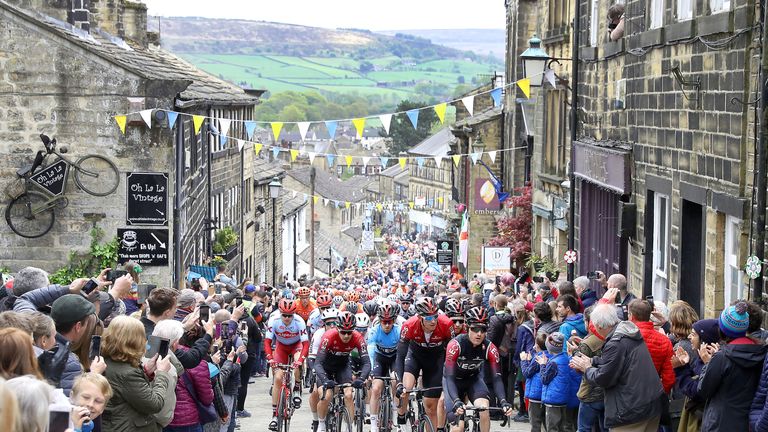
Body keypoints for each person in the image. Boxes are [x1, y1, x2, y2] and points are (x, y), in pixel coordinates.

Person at [570, 303, 663, 431]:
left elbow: (604, 379)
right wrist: (593, 361)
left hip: (632, 410)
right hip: (649, 403)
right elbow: (617, 362)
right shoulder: (627, 332)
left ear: (599, 326)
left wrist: (586, 368)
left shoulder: (616, 342)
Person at [697, 301, 767, 432]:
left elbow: (703, 390)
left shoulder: (722, 357)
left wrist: (708, 363)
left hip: (720, 423)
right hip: (749, 422)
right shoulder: (761, 351)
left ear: (722, 329)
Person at [443, 307, 512, 432]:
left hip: (473, 380)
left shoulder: (490, 348)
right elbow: (449, 377)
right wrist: (456, 400)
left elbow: (496, 378)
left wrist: (503, 401)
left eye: (483, 329)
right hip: (453, 382)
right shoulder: (455, 345)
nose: (479, 333)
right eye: (475, 329)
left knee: (484, 410)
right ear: (467, 327)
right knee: (458, 429)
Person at [102, 315, 174, 432]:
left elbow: (127, 391)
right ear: (133, 341)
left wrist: (146, 371)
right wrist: (162, 374)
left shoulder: (106, 361)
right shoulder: (127, 374)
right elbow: (154, 404)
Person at [395, 296, 454, 430]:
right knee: (407, 387)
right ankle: (401, 414)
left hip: (436, 358)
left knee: (431, 406)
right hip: (415, 356)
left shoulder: (446, 324)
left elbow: (452, 350)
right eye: (428, 318)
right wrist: (399, 382)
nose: (433, 321)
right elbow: (400, 355)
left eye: (435, 316)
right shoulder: (409, 325)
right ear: (420, 317)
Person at [313, 311, 370, 432]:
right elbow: (318, 363)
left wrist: (361, 379)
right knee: (326, 396)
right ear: (338, 329)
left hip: (342, 367)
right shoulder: (328, 337)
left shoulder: (358, 338)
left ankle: (350, 426)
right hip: (325, 368)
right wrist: (325, 380)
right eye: (343, 332)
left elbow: (366, 363)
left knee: (349, 394)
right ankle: (322, 424)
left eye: (349, 332)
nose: (346, 336)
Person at [264, 298, 309, 430]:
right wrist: (270, 358)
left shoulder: (299, 321)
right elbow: (267, 341)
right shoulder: (274, 320)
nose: (287, 318)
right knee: (278, 378)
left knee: (297, 363)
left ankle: (296, 388)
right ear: (280, 313)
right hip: (281, 347)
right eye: (284, 315)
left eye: (290, 315)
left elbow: (306, 344)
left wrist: (300, 360)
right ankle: (274, 415)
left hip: (296, 345)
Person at [165, 318, 215, 432]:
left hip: (164, 416)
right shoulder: (199, 364)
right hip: (187, 419)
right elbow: (207, 398)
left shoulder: (160, 354)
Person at [50, 294, 105, 394]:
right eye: (86, 324)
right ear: (78, 326)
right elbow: (72, 403)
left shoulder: (42, 342)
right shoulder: (70, 362)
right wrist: (94, 375)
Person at [567, 305, 606, 432]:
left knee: (583, 428)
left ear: (588, 322)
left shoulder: (587, 343)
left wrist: (573, 354)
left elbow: (578, 368)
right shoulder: (609, 337)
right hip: (607, 392)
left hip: (590, 393)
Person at [627, 299, 675, 394]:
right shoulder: (664, 340)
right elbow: (669, 377)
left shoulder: (624, 337)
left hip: (627, 395)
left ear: (631, 316)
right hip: (653, 395)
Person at [367, 302, 401, 432]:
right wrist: (370, 369)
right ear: (380, 321)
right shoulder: (375, 331)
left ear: (394, 320)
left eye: (390, 322)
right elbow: (370, 350)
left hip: (394, 358)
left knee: (394, 382)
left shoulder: (398, 330)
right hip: (379, 359)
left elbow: (403, 352)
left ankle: (395, 415)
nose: (387, 325)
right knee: (376, 389)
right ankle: (374, 425)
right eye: (384, 322)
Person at [539, 331, 581, 432]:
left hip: (552, 401)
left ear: (549, 347)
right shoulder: (565, 358)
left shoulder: (553, 363)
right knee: (562, 427)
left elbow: (544, 379)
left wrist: (542, 364)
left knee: (552, 427)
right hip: (563, 400)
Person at [521, 332, 550, 432]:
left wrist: (524, 360)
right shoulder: (550, 355)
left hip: (536, 395)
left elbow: (527, 373)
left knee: (535, 423)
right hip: (546, 395)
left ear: (537, 345)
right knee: (546, 423)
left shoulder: (538, 357)